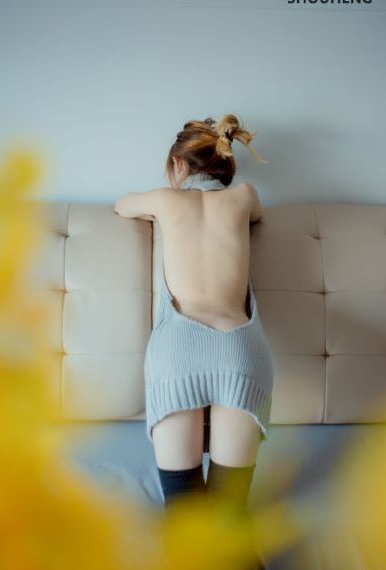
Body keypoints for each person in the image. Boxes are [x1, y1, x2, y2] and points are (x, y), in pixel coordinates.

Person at [142, 114, 274, 569]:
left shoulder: (164, 199)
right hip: (240, 350)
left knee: (183, 510)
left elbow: (122, 205)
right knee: (229, 513)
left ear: (178, 164)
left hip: (178, 349)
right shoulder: (245, 195)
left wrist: (163, 203)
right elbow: (258, 216)